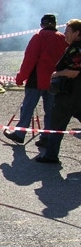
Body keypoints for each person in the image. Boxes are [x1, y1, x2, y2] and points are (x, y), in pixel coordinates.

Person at [3, 14, 67, 147]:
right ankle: (47, 137)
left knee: (27, 108)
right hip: (55, 80)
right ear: (55, 24)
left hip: (36, 79)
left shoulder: (38, 36)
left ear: (42, 24)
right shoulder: (63, 38)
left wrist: (20, 77)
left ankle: (20, 133)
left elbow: (29, 59)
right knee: (50, 111)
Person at [35, 19, 81, 164]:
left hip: (69, 93)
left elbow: (73, 72)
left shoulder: (76, 50)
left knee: (57, 123)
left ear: (77, 33)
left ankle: (50, 155)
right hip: (75, 93)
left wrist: (56, 74)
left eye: (68, 32)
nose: (65, 34)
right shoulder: (73, 47)